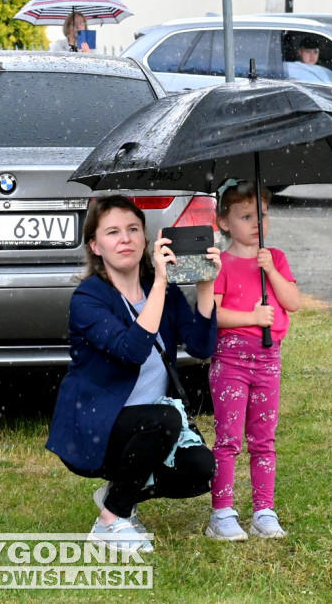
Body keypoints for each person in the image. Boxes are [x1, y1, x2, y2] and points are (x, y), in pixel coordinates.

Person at [45, 195, 220, 552]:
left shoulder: (166, 293)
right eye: (112, 232)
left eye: (133, 229)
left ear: (146, 238)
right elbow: (132, 350)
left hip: (152, 422)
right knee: (163, 419)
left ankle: (119, 493)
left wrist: (205, 286)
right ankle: (110, 519)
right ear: (95, 245)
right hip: (97, 426)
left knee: (200, 468)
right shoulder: (88, 299)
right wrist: (158, 282)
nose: (124, 238)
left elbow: (201, 347)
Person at [205, 179, 300, 541]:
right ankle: (222, 511)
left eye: (262, 214)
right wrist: (251, 318)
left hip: (268, 359)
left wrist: (271, 272)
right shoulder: (222, 263)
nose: (257, 223)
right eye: (246, 216)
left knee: (264, 438)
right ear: (224, 223)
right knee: (228, 437)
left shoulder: (274, 258)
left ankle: (264, 509)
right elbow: (213, 315)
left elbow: (292, 302)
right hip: (231, 359)